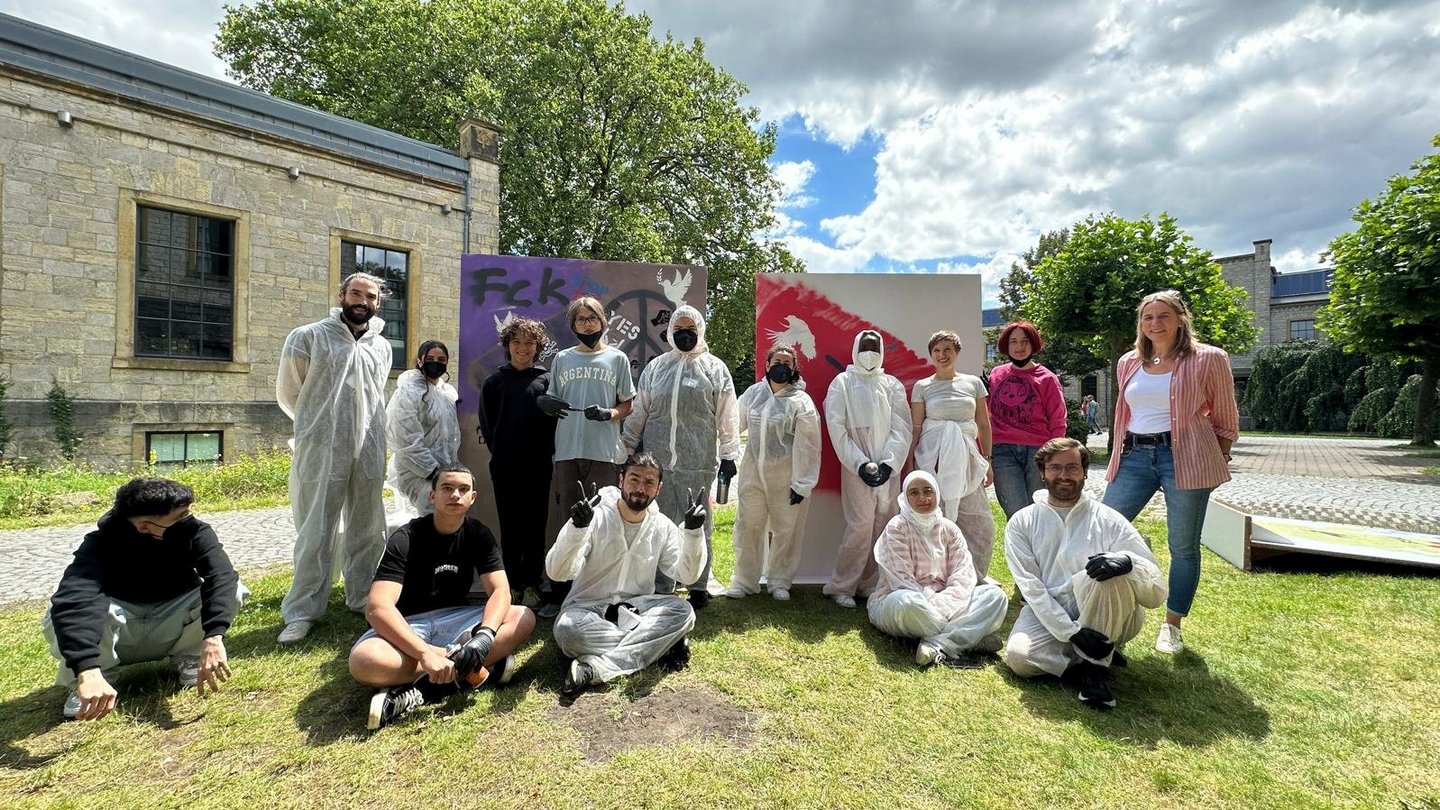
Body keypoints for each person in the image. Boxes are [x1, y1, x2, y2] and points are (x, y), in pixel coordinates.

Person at [1100, 290, 1238, 655]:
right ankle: (1115, 598)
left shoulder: (1209, 358)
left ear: (1180, 319)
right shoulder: (1129, 361)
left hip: (1185, 457)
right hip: (1134, 455)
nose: (1155, 323)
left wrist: (1217, 456)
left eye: (1163, 316)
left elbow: (1225, 417)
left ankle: (1172, 625)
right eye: (1148, 317)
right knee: (1102, 528)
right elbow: (1124, 414)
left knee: (1183, 545)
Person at [349, 464, 536, 729]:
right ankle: (474, 665)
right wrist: (425, 653)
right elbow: (378, 608)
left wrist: (485, 636)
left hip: (456, 620)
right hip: (408, 625)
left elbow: (500, 591)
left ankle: (423, 690)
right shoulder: (406, 538)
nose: (455, 495)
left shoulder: (479, 534)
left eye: (463, 489)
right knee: (364, 661)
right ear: (432, 495)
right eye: (447, 488)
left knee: (522, 617)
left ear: (473, 497)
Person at [42, 478, 246, 721]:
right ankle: (96, 678)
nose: (189, 521)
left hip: (171, 621)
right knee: (59, 613)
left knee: (233, 589)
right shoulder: (100, 543)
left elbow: (221, 576)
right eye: (180, 517)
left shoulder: (197, 531)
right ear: (144, 526)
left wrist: (214, 636)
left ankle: (191, 656)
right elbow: (76, 598)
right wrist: (86, 668)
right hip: (122, 630)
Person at [1003, 438, 1167, 708]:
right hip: (1050, 611)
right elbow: (1031, 587)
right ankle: (1095, 653)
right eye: (1055, 468)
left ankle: (1094, 672)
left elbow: (1156, 592)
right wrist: (1072, 633)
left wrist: (1129, 563)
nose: (1064, 476)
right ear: (1042, 472)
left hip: (1112, 608)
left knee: (1107, 574)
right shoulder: (1022, 522)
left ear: (1085, 472)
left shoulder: (1108, 519)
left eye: (1072, 468)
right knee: (1020, 659)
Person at [275, 272, 392, 643]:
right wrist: (319, 428)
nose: (362, 301)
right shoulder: (308, 337)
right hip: (322, 447)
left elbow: (373, 396)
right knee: (316, 529)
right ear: (342, 295)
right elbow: (290, 393)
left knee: (368, 527)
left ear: (377, 303)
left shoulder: (381, 346)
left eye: (370, 296)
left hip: (369, 447)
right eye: (356, 293)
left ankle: (361, 598)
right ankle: (303, 611)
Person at [546, 453, 707, 694]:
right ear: (621, 480)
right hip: (588, 609)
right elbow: (557, 572)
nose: (640, 489)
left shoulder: (661, 525)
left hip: (637, 610)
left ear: (659, 488)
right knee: (568, 630)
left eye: (649, 482)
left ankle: (596, 668)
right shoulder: (596, 516)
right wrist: (576, 529)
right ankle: (661, 644)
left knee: (683, 611)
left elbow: (686, 575)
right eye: (634, 479)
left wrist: (693, 534)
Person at [620, 304, 740, 610]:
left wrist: (729, 453)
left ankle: (698, 584)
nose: (684, 335)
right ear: (670, 332)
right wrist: (627, 447)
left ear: (700, 331)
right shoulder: (657, 368)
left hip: (698, 462)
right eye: (679, 330)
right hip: (656, 465)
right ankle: (663, 585)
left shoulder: (715, 368)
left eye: (691, 330)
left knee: (699, 524)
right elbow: (639, 413)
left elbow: (727, 414)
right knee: (660, 524)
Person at [534, 296, 635, 619]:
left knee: (603, 522)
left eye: (592, 318)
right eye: (580, 320)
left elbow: (627, 405)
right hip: (567, 451)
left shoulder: (617, 358)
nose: (587, 324)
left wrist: (609, 413)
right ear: (573, 325)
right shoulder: (563, 359)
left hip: (603, 452)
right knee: (569, 522)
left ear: (603, 322)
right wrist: (545, 403)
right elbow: (552, 399)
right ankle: (562, 591)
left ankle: (599, 592)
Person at [868, 471, 1009, 667]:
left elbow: (963, 575)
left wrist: (944, 603)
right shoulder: (897, 527)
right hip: (903, 602)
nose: (923, 498)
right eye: (914, 493)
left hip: (949, 601)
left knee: (995, 596)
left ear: (937, 494)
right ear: (905, 498)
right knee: (908, 603)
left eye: (928, 491)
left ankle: (937, 644)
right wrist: (935, 605)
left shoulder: (949, 529)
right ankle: (968, 636)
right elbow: (900, 580)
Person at [822, 329, 912, 608]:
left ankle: (874, 584)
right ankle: (843, 585)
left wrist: (888, 463)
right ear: (855, 350)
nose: (869, 353)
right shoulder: (842, 383)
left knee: (885, 523)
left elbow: (902, 427)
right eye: (865, 347)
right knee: (860, 525)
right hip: (855, 461)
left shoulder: (892, 385)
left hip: (888, 463)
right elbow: (837, 427)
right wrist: (860, 464)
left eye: (874, 347)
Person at [724, 345, 821, 601]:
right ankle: (744, 580)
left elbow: (809, 446)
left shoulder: (801, 402)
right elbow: (734, 424)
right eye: (777, 361)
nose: (781, 366)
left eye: (787, 363)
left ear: (793, 369)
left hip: (786, 477)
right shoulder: (754, 394)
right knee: (748, 525)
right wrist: (727, 455)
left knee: (786, 530)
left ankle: (779, 580)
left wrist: (802, 483)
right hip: (752, 474)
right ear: (767, 365)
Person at [479, 317, 558, 609]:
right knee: (510, 527)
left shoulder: (548, 382)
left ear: (538, 347)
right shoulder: (494, 382)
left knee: (535, 527)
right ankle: (512, 585)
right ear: (507, 345)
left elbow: (555, 425)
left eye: (529, 343)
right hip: (504, 467)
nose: (522, 348)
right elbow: (488, 427)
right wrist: (503, 454)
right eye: (516, 342)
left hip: (539, 467)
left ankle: (534, 584)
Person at [910, 330, 995, 580]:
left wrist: (988, 461)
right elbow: (917, 427)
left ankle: (975, 576)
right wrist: (911, 464)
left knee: (980, 524)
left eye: (947, 350)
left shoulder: (973, 383)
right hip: (933, 459)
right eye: (936, 351)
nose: (942, 355)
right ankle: (937, 575)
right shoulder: (923, 386)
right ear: (931, 355)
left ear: (957, 352)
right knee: (935, 519)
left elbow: (983, 423)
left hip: (967, 458)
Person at [987, 321, 1068, 519]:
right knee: (1016, 513)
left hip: (1038, 451)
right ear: (1006, 346)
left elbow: (1058, 419)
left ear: (1033, 344)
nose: (1019, 347)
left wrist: (1053, 455)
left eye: (1024, 341)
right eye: (1013, 341)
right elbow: (986, 414)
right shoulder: (997, 374)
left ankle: (1044, 550)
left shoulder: (1047, 378)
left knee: (1040, 510)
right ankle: (1020, 550)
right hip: (1002, 450)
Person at [385, 340, 461, 518]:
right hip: (417, 473)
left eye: (441, 359)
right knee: (431, 519)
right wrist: (433, 472)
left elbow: (451, 436)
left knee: (447, 518)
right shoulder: (409, 392)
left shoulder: (447, 393)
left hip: (444, 471)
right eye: (431, 358)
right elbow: (406, 441)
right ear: (420, 360)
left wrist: (447, 472)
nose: (436, 363)